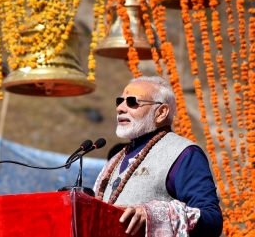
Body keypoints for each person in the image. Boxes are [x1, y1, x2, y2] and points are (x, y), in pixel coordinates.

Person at [94, 76, 223, 237]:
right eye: (119, 101)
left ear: (161, 112)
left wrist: (153, 214)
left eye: (132, 102)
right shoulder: (116, 159)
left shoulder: (184, 153)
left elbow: (213, 221)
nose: (120, 108)